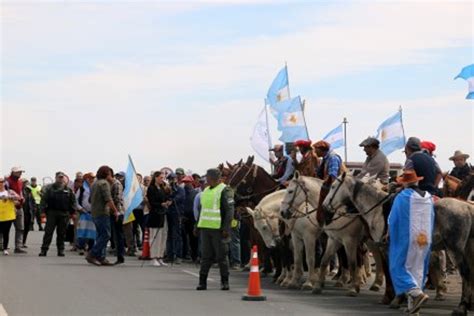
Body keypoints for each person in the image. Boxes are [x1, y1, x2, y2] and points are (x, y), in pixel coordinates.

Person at [388, 170, 434, 314]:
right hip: (425, 238)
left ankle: (416, 293)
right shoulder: (429, 197)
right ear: (417, 181)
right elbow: (432, 217)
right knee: (418, 268)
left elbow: (393, 219)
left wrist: (389, 233)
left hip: (407, 238)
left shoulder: (402, 197)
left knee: (397, 266)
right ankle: (413, 308)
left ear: (405, 184)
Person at [196, 168, 235, 291]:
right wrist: (197, 225)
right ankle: (202, 282)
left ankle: (224, 282)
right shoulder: (206, 190)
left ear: (215, 178)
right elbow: (202, 209)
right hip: (206, 228)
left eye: (208, 178)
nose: (206, 180)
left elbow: (230, 211)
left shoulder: (225, 190)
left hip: (219, 229)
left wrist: (226, 228)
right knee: (205, 256)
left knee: (221, 257)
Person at [86, 166, 119, 266]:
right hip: (102, 212)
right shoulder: (104, 184)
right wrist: (115, 211)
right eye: (110, 174)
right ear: (106, 174)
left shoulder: (94, 183)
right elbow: (108, 199)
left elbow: (90, 200)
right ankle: (92, 254)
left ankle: (101, 257)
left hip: (94, 212)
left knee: (100, 235)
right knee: (106, 235)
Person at [39, 172, 77, 257]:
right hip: (52, 213)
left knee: (62, 233)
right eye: (59, 177)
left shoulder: (68, 190)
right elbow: (43, 201)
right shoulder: (50, 189)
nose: (60, 179)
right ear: (56, 178)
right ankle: (44, 250)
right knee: (48, 232)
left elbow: (73, 202)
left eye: (62, 177)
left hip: (64, 214)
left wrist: (73, 213)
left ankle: (61, 250)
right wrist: (42, 212)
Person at [313, 140, 344, 225]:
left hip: (335, 187)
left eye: (316, 149)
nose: (315, 151)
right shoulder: (325, 158)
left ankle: (327, 220)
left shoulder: (333, 157)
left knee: (325, 204)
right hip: (327, 184)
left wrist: (321, 184)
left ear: (321, 149)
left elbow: (332, 176)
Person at [147, 171, 172, 267]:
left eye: (163, 178)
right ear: (156, 178)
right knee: (155, 237)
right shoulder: (151, 188)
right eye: (161, 177)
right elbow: (152, 202)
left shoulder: (162, 188)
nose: (162, 179)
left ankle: (160, 256)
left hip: (163, 214)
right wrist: (161, 204)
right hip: (155, 215)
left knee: (163, 236)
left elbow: (165, 198)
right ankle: (154, 257)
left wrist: (168, 201)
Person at [6, 167, 27, 254]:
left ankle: (18, 247)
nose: (20, 174)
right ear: (13, 172)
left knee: (20, 228)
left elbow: (20, 192)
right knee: (6, 227)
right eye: (18, 172)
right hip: (9, 207)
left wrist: (22, 198)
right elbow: (4, 193)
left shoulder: (20, 182)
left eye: (21, 172)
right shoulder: (6, 181)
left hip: (19, 207)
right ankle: (2, 245)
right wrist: (13, 200)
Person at [165, 173, 185, 264]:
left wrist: (172, 200)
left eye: (172, 179)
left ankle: (178, 255)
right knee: (169, 235)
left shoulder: (180, 189)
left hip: (177, 214)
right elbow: (165, 198)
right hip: (169, 213)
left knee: (177, 235)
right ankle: (170, 255)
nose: (171, 181)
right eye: (169, 179)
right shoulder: (168, 189)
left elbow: (180, 197)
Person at [76, 172, 96, 255]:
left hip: (94, 213)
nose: (91, 180)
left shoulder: (96, 187)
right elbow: (75, 200)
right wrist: (80, 209)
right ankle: (81, 247)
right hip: (84, 213)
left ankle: (91, 248)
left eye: (92, 178)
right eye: (89, 178)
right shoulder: (81, 189)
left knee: (93, 232)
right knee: (82, 231)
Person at [0, 177, 21, 255]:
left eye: (2, 182)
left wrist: (11, 198)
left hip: (7, 216)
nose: (0, 183)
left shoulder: (9, 192)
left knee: (6, 232)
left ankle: (5, 248)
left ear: (5, 183)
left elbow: (19, 199)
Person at [110, 172, 126, 265]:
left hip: (117, 212)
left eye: (120, 176)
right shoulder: (113, 184)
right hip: (115, 211)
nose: (118, 177)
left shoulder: (116, 184)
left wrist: (116, 212)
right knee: (116, 234)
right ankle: (119, 253)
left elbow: (117, 199)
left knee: (118, 234)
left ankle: (120, 255)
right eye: (117, 176)